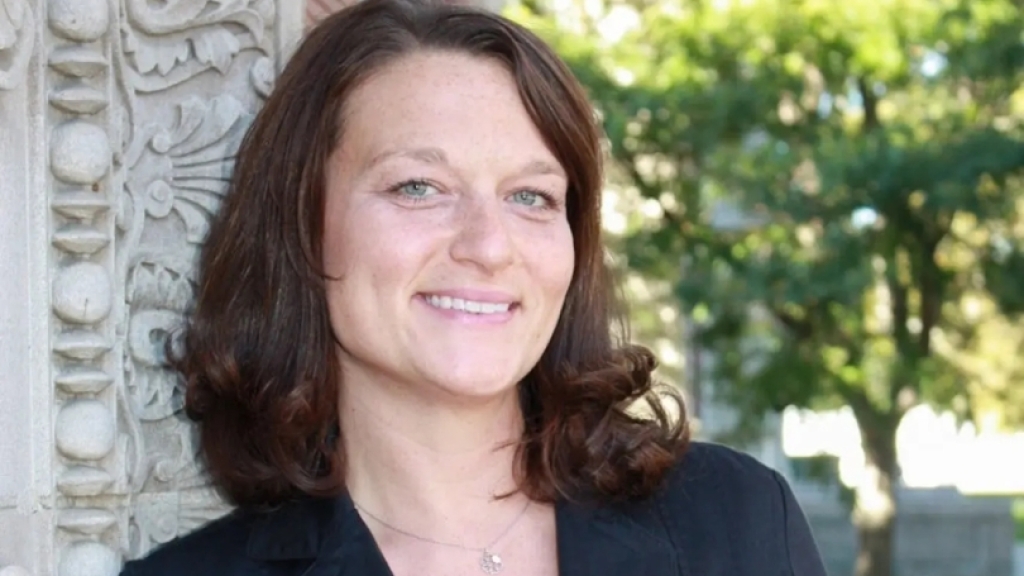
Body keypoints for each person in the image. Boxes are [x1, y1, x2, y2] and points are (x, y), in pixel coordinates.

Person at [120, 0, 828, 574]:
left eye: (531, 197)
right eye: (418, 187)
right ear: (302, 224)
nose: (490, 247)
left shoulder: (734, 522)